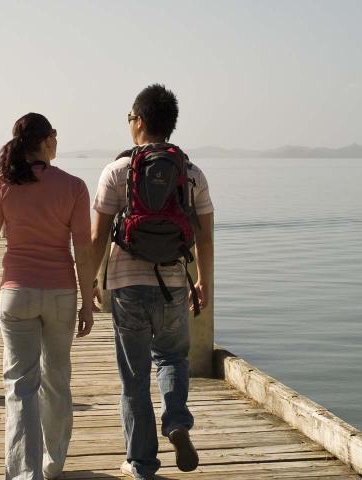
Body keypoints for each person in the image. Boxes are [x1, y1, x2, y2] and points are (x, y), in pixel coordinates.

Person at [90, 84, 214, 479]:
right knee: (172, 358)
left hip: (127, 286)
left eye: (130, 117)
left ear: (139, 121)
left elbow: (97, 236)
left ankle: (142, 463)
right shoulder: (191, 173)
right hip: (174, 283)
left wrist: (90, 282)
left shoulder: (116, 171)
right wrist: (202, 282)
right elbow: (205, 236)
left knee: (134, 377)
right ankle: (176, 420)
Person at [0, 113, 95, 480]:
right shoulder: (74, 186)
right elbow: (83, 250)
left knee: (21, 385)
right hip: (61, 294)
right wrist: (88, 302)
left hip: (17, 293)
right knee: (57, 379)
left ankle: (26, 473)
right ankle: (53, 464)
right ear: (47, 140)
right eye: (55, 137)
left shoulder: (1, 184)